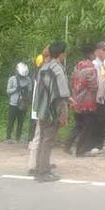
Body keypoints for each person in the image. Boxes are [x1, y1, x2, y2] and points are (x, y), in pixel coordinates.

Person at [32, 41, 70, 182]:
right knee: (48, 141)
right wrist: (63, 113)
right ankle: (43, 172)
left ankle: (39, 168)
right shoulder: (57, 69)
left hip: (42, 109)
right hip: (53, 109)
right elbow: (61, 94)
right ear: (61, 54)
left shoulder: (43, 68)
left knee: (43, 139)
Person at [64, 45, 99, 157]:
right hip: (87, 102)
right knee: (87, 126)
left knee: (78, 125)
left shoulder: (77, 66)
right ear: (91, 54)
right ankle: (80, 150)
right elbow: (93, 86)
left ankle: (67, 144)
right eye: (94, 53)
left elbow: (72, 81)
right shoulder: (91, 68)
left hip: (76, 100)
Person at [6, 62, 33, 143]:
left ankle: (18, 137)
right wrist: (15, 89)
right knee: (11, 121)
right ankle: (8, 137)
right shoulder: (12, 79)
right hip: (13, 104)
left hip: (23, 104)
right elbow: (8, 91)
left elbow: (30, 91)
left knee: (20, 121)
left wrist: (26, 92)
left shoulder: (28, 80)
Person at [92, 41, 105, 152]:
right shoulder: (95, 64)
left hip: (104, 96)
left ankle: (100, 143)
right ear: (97, 51)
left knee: (103, 121)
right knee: (98, 121)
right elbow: (98, 80)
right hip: (97, 97)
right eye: (104, 50)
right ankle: (96, 144)